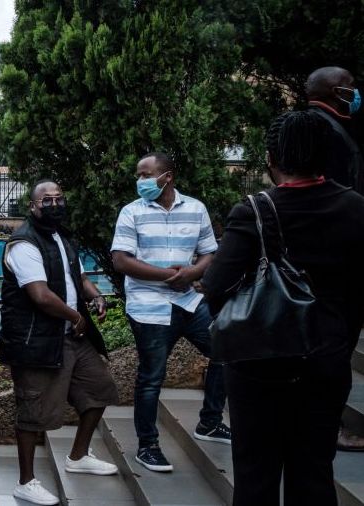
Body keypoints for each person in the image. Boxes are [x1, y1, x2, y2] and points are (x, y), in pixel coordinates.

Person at [202, 111, 364, 505]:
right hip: (325, 360)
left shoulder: (253, 212)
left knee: (255, 476)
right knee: (313, 473)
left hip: (259, 364)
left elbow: (214, 286)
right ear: (326, 155)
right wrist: (340, 341)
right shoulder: (356, 208)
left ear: (271, 158)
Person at [0, 181, 119, 504]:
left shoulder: (62, 237)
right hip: (37, 342)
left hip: (72, 338)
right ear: (33, 206)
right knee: (32, 411)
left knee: (99, 389)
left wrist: (95, 297)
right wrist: (75, 317)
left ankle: (79, 456)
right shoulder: (23, 243)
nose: (54, 204)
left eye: (58, 198)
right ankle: (25, 481)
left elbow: (78, 277)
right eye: (46, 200)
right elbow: (40, 294)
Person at [110, 152, 230, 472]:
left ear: (167, 177)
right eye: (138, 175)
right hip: (149, 307)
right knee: (151, 378)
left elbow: (209, 252)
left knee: (226, 350)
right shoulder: (131, 213)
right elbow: (120, 260)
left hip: (189, 302)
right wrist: (170, 276)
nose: (140, 181)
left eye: (145, 175)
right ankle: (147, 446)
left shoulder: (195, 208)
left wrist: (192, 274)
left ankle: (210, 422)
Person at [304, 67, 364, 452]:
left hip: (332, 261)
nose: (356, 91)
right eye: (351, 86)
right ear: (335, 90)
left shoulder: (322, 126)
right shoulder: (323, 130)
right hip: (336, 263)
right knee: (333, 350)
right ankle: (328, 424)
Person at [305, 66, 363, 193]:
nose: (355, 91)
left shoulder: (318, 122)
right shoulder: (329, 130)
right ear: (338, 92)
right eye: (351, 85)